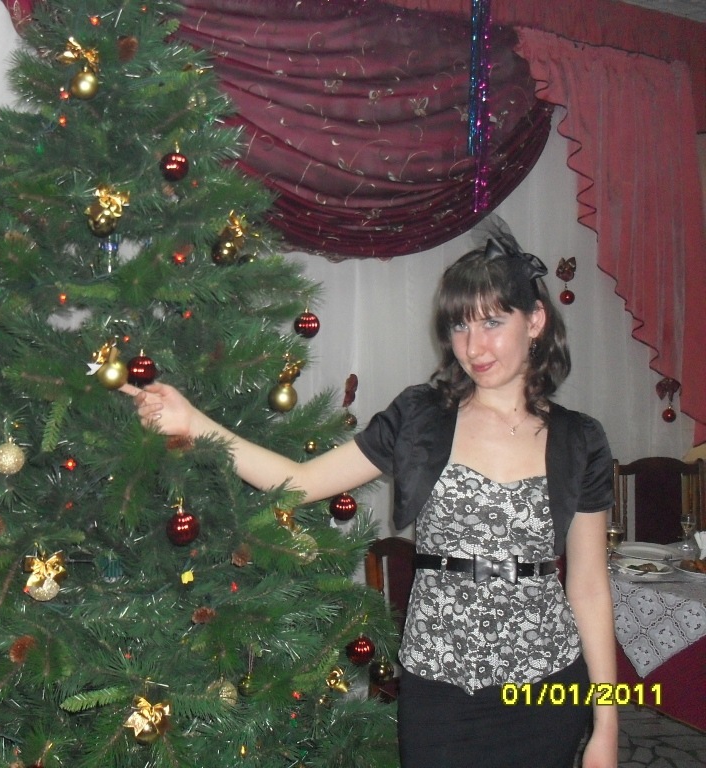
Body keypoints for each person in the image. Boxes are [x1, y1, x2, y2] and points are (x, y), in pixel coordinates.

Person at [122, 231, 618, 768]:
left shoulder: (580, 439)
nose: (474, 347)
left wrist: (606, 725)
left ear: (535, 321)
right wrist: (194, 423)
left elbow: (589, 587)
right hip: (440, 685)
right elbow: (299, 482)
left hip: (546, 684)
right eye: (460, 325)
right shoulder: (420, 418)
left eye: (492, 323)